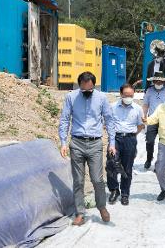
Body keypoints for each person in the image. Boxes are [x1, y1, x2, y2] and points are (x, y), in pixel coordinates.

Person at [59, 71, 115, 226]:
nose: (86, 93)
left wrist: (112, 143)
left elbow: (109, 120)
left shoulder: (102, 98)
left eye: (90, 90)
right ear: (79, 86)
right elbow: (64, 120)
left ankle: (101, 206)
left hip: (95, 143)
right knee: (78, 181)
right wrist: (63, 142)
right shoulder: (71, 97)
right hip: (76, 143)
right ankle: (80, 213)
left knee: (97, 179)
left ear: (93, 86)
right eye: (83, 90)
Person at [107, 84, 144, 206]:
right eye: (126, 95)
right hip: (115, 139)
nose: (128, 97)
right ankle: (114, 190)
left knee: (127, 168)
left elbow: (140, 125)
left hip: (130, 139)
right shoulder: (112, 107)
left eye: (131, 95)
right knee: (112, 164)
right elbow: (108, 123)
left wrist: (132, 135)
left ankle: (125, 194)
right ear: (121, 94)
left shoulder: (138, 109)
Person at [143, 72, 165, 169]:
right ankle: (149, 158)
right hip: (152, 119)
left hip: (164, 120)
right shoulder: (149, 91)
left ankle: (159, 163)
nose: (158, 83)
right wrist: (144, 116)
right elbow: (145, 105)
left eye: (160, 81)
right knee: (149, 141)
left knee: (162, 143)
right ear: (153, 81)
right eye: (156, 81)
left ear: (163, 81)